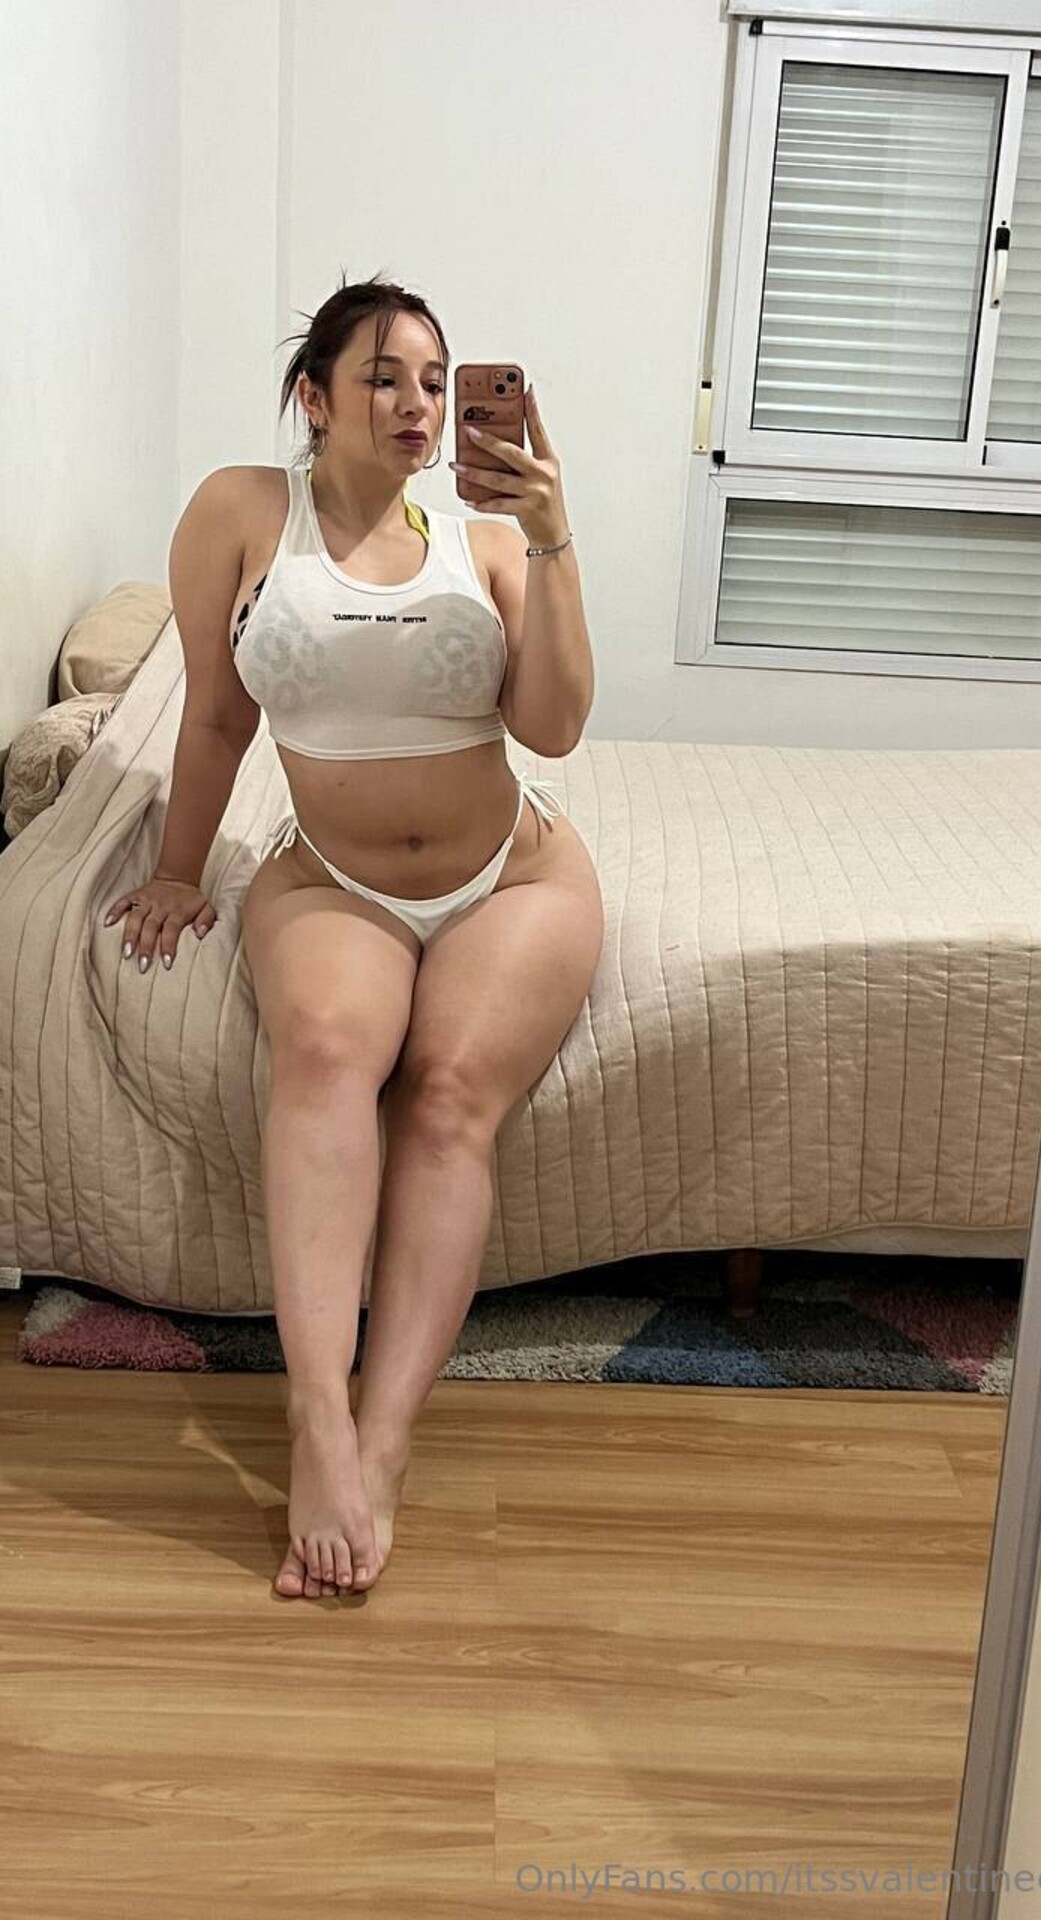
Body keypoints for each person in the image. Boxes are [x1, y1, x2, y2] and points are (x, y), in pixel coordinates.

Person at [102, 274, 605, 1600]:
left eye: (435, 380)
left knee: (448, 1093)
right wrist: (175, 868)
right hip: (333, 880)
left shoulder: (488, 538)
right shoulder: (240, 513)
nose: (419, 404)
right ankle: (315, 1415)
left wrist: (552, 538)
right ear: (313, 396)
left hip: (512, 879)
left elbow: (554, 730)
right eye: (384, 376)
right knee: (326, 1051)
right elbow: (216, 714)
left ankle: (382, 1440)